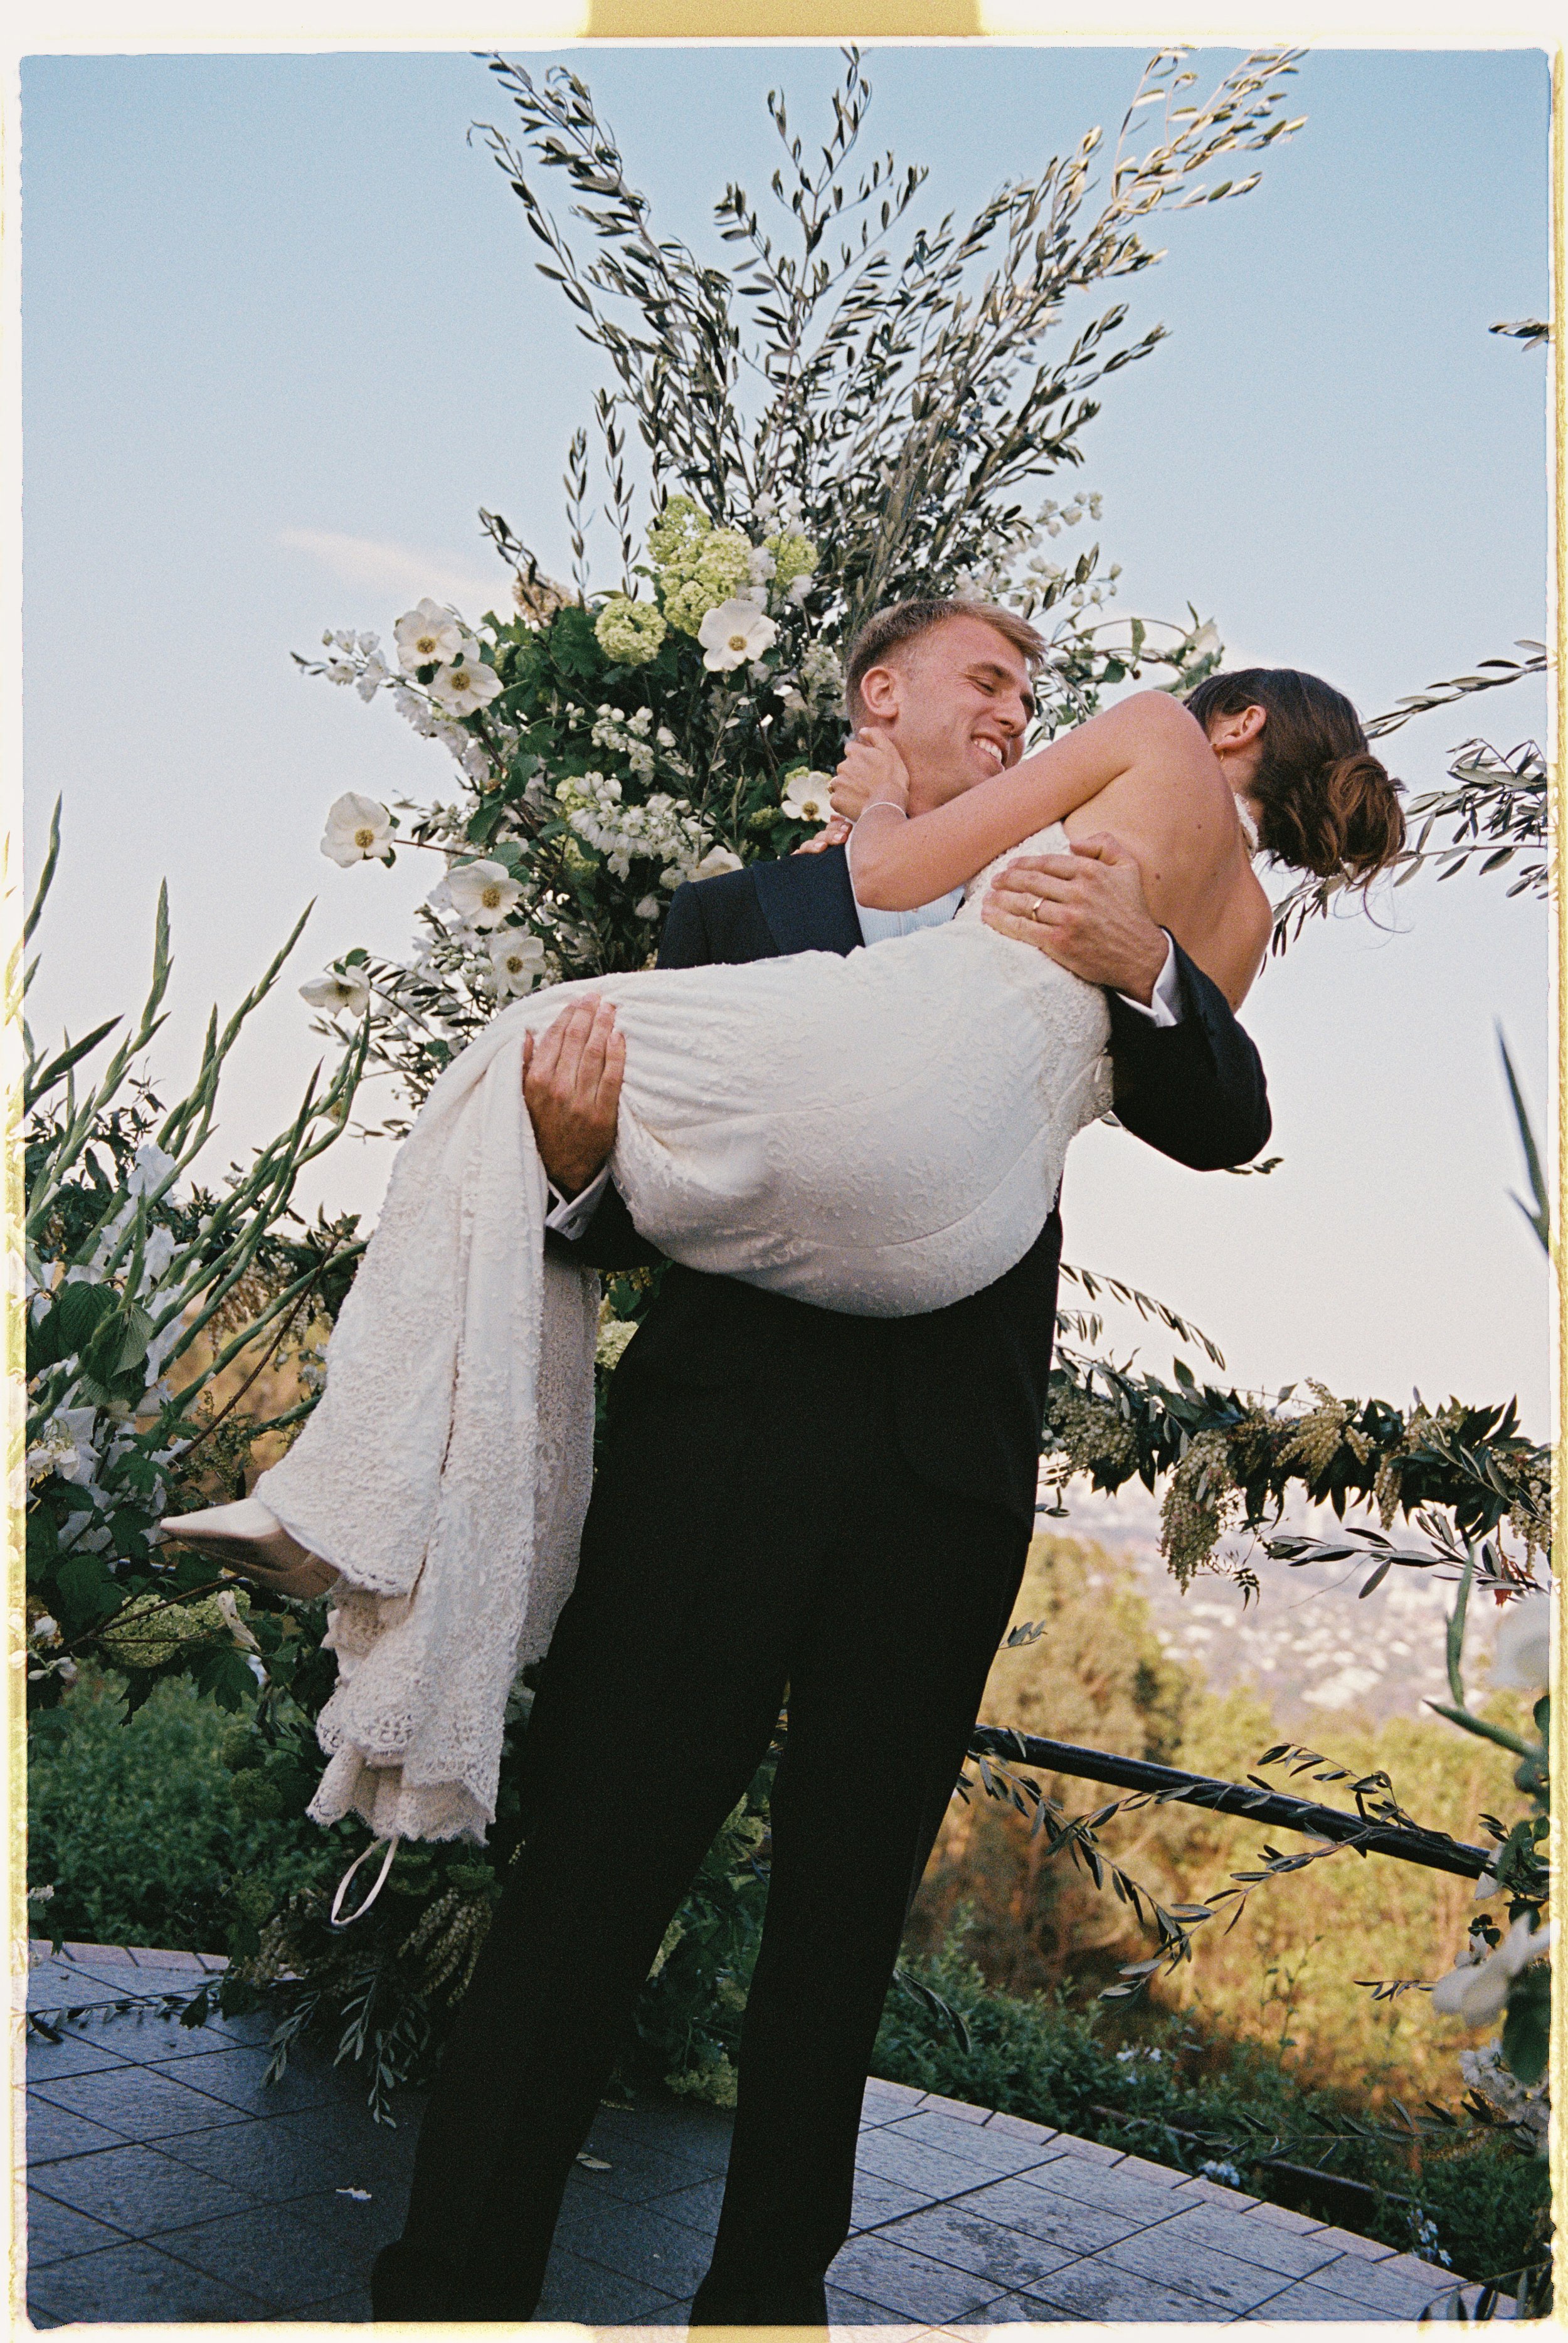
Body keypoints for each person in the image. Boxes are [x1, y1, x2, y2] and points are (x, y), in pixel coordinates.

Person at [171, 600, 1401, 2324]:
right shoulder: (733, 912)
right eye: (986, 687)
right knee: (589, 1876)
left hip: (938, 1481)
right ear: (876, 699)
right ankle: (452, 2290)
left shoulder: (1112, 874)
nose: (1013, 716)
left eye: (1029, 701)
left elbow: (1223, 1116)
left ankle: (766, 2309)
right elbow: (649, 1202)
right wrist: (589, 1159)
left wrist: (1147, 967)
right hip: (719, 1448)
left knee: (837, 1936)